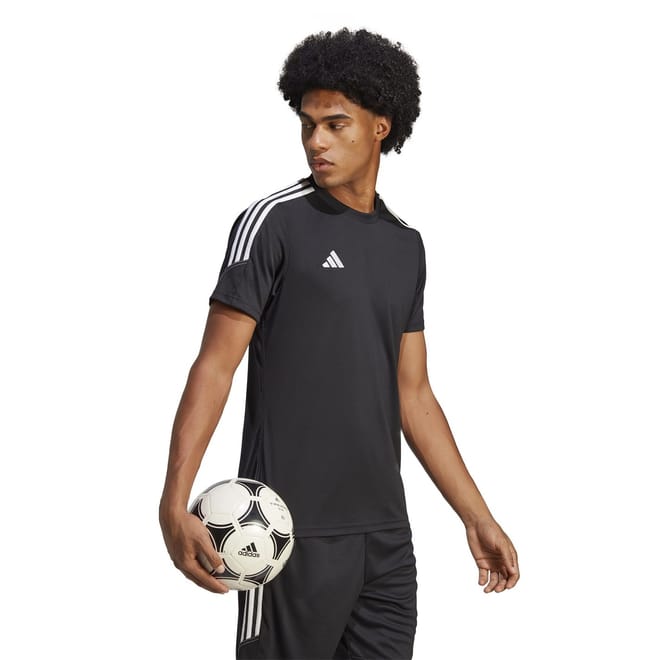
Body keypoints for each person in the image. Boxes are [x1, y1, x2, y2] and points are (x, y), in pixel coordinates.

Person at [159, 27, 519, 660]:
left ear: (381, 126)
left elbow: (414, 395)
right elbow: (214, 367)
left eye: (335, 124)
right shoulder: (272, 223)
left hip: (385, 540)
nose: (315, 142)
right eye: (307, 125)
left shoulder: (405, 246)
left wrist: (476, 515)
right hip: (281, 533)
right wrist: (173, 501)